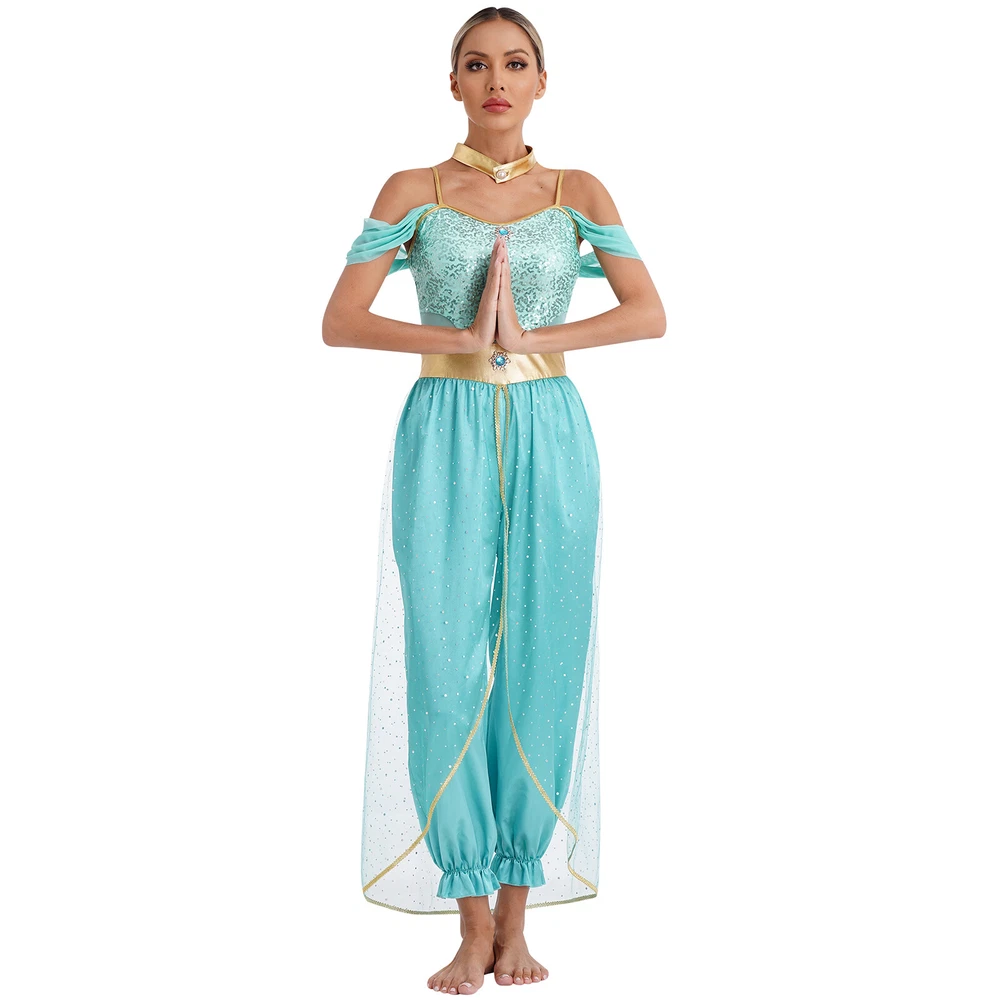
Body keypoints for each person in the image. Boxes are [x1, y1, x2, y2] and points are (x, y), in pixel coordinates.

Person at [323, 7, 665, 994]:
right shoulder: (415, 191)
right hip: (445, 430)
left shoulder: (578, 191)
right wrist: (465, 338)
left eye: (516, 63)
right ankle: (469, 919)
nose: (497, 81)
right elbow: (340, 320)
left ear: (542, 81)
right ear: (453, 83)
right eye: (476, 64)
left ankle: (518, 915)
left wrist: (531, 337)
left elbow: (649, 312)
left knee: (544, 660)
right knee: (444, 663)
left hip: (553, 430)